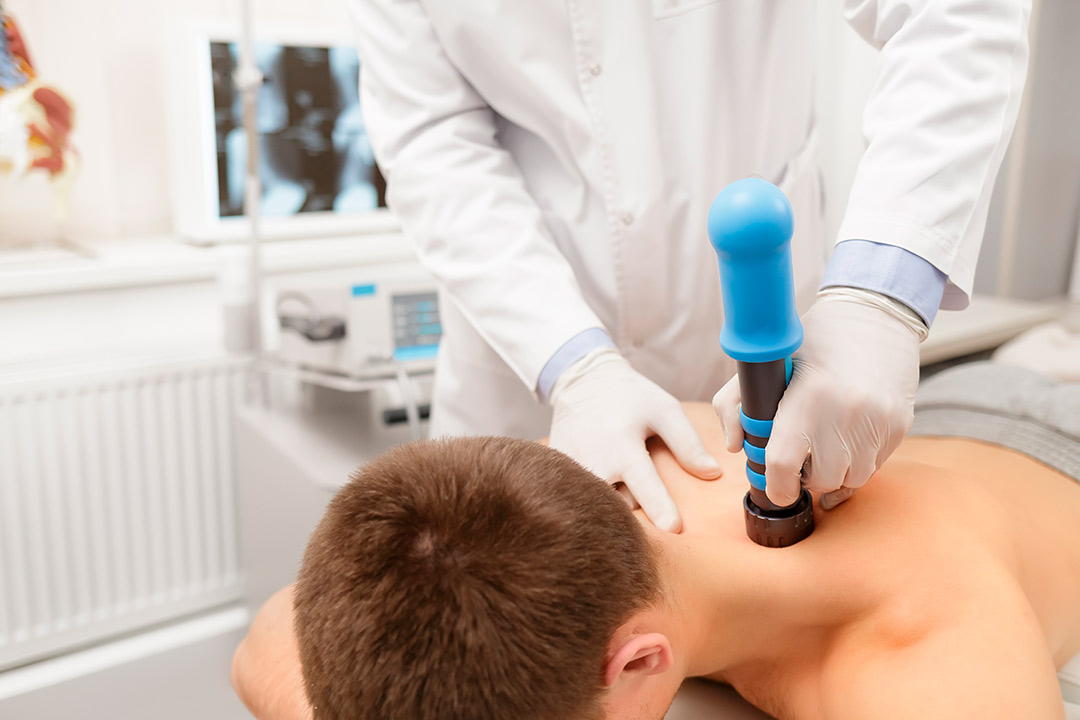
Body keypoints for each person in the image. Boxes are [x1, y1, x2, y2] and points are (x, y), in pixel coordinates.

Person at [344, 0, 1031, 529]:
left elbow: (955, 14)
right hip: (525, 359)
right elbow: (432, 142)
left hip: (764, 358)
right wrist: (573, 365)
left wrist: (879, 296)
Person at [231, 363, 1080, 720]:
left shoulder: (935, 668)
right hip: (937, 432)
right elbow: (271, 636)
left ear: (641, 662)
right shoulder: (587, 495)